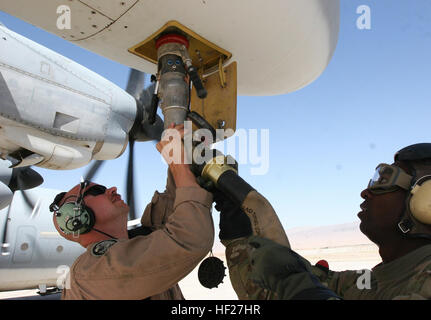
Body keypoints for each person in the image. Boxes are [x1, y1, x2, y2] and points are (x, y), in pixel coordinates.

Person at [215, 143, 431, 299]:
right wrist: (238, 227)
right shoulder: (373, 282)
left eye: (383, 180)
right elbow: (281, 284)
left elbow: (297, 283)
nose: (366, 192)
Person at [51, 123, 214, 299]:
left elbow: (176, 206)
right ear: (78, 219)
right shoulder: (91, 273)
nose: (112, 189)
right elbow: (191, 237)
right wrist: (178, 165)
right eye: (96, 191)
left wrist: (183, 149)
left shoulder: (138, 244)